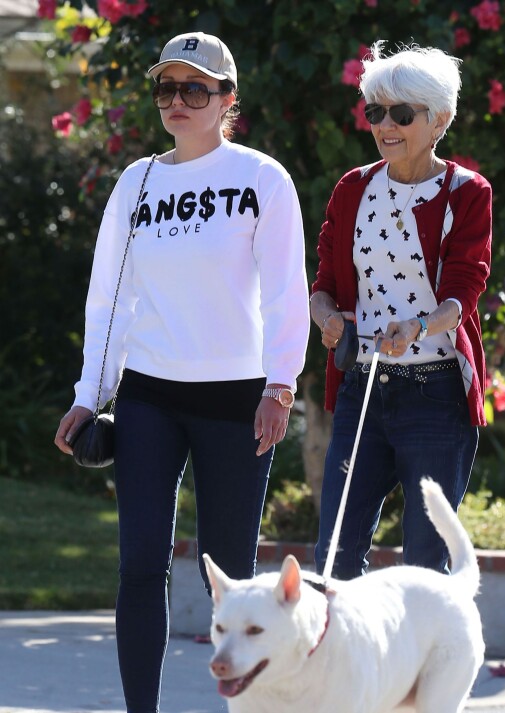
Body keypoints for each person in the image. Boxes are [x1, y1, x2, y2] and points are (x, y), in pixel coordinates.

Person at [54, 31, 310, 713]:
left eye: (194, 88)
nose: (177, 101)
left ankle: (256, 704)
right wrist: (90, 395)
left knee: (232, 581)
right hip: (148, 399)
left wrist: (280, 383)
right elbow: (109, 297)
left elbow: (287, 291)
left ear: (227, 98)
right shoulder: (137, 182)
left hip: (237, 399)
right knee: (140, 566)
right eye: (166, 88)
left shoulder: (262, 178)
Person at [311, 42, 492, 581]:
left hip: (434, 395)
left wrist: (417, 326)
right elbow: (321, 285)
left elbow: (464, 291)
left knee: (423, 569)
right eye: (376, 112)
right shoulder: (353, 189)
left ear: (438, 120)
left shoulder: (466, 193)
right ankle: (344, 667)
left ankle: (416, 669)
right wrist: (326, 318)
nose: (385, 125)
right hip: (361, 388)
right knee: (334, 558)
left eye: (401, 114)